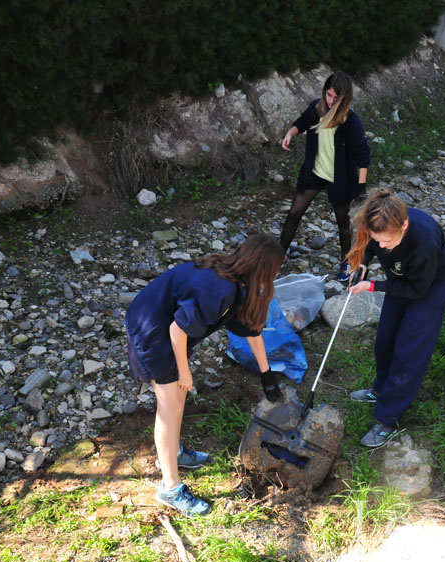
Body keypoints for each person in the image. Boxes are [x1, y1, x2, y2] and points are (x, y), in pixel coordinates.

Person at [125, 234, 285, 516]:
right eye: (276, 268)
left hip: (169, 328)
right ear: (263, 267)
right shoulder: (218, 289)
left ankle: (173, 454)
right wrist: (184, 370)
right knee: (169, 406)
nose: (276, 274)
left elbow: (250, 330)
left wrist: (266, 373)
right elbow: (177, 330)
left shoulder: (238, 282)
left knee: (178, 398)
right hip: (153, 329)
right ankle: (170, 488)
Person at [345, 190, 445, 447]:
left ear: (404, 226)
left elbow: (417, 290)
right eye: (378, 240)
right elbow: (372, 243)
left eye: (387, 242)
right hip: (400, 279)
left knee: (409, 349)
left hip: (427, 286)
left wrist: (372, 287)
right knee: (385, 339)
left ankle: (388, 417)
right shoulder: (381, 225)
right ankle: (380, 389)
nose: (382, 246)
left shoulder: (423, 242)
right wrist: (362, 263)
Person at [280, 71, 371, 281]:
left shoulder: (351, 121)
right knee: (294, 212)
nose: (331, 101)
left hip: (339, 178)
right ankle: (279, 254)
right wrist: (290, 134)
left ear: (345, 98)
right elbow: (301, 122)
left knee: (343, 224)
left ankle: (346, 263)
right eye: (328, 95)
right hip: (315, 171)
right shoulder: (316, 108)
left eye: (335, 98)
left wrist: (361, 189)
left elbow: (363, 156)